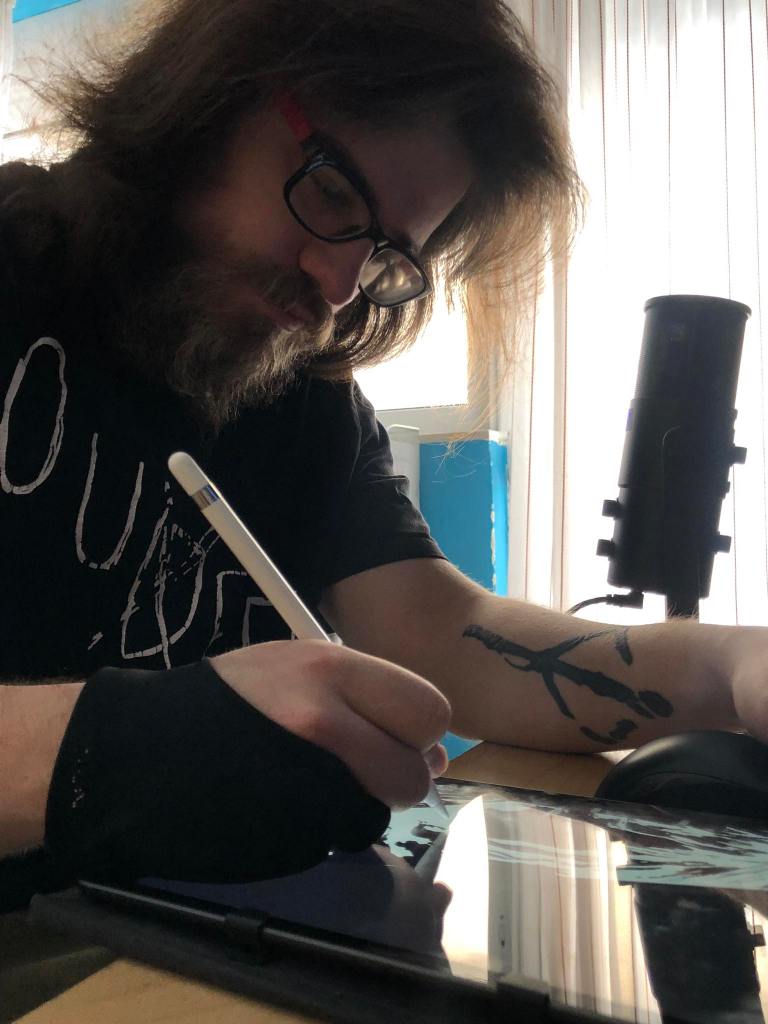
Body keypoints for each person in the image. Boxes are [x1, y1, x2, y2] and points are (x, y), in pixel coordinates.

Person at [0, 0, 763, 913]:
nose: (337, 287)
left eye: (384, 254)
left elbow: (450, 636)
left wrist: (731, 666)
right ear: (206, 100)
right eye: (332, 194)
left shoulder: (295, 387)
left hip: (198, 937)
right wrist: (117, 744)